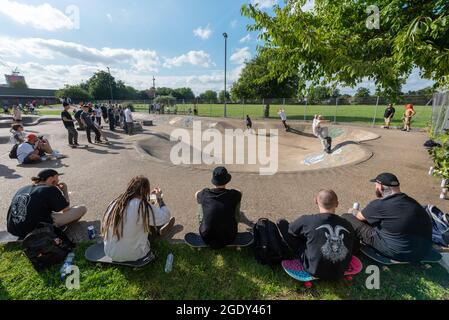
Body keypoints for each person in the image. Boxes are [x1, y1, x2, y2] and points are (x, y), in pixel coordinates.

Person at [342, 173, 433, 262]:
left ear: (381, 187)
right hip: (423, 251)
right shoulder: (413, 203)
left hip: (398, 252)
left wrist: (353, 212)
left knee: (347, 217)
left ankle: (352, 247)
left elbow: (359, 217)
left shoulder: (379, 205)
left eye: (376, 186)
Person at [277, 190, 355, 280]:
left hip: (313, 269)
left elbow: (290, 230)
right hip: (340, 271)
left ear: (316, 201)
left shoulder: (306, 220)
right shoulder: (348, 225)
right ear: (337, 204)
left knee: (281, 223)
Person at [101, 176, 175, 262]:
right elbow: (166, 216)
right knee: (149, 222)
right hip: (134, 254)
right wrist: (159, 198)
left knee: (144, 220)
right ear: (145, 192)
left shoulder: (114, 203)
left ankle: (158, 229)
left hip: (110, 252)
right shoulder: (141, 206)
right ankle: (158, 231)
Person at [7, 169, 87, 239]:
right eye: (57, 179)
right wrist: (64, 191)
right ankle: (58, 227)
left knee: (43, 211)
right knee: (82, 208)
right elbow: (66, 209)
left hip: (13, 229)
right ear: (51, 179)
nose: (58, 181)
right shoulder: (50, 189)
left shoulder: (22, 188)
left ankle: (57, 225)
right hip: (35, 230)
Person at [195, 167, 243, 249]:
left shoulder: (205, 194)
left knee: (201, 202)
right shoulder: (233, 194)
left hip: (206, 237)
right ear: (226, 181)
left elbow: (196, 194)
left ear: (213, 180)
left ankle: (203, 223)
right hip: (229, 237)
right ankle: (233, 222)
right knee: (236, 202)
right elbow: (240, 192)